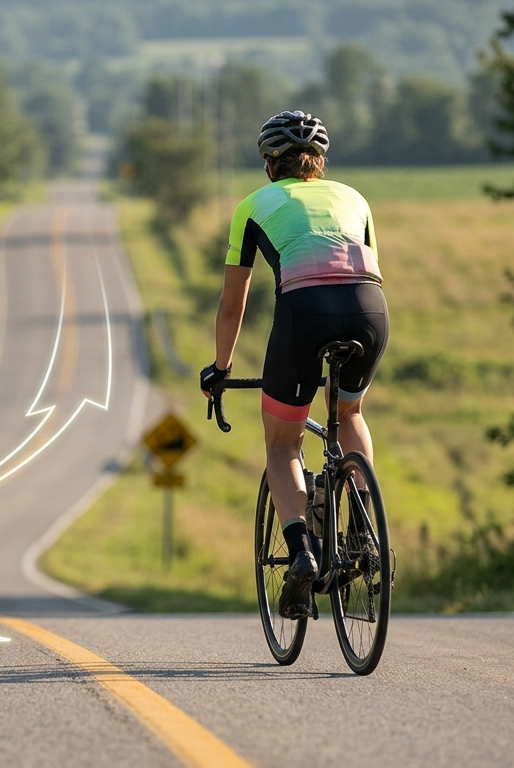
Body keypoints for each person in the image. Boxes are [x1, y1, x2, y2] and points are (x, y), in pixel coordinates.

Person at [199, 110, 389, 619]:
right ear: (321, 163)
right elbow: (363, 269)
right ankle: (364, 527)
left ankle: (302, 551)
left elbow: (232, 302)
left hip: (304, 313)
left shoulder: (252, 206)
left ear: (268, 165)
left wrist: (220, 368)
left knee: (283, 442)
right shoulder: (355, 198)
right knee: (348, 414)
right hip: (370, 311)